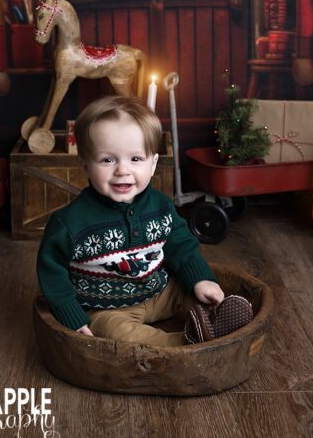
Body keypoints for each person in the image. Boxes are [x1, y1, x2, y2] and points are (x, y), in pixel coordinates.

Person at [36, 95, 251, 347]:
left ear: (153, 164)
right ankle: (184, 342)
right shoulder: (70, 222)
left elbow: (181, 245)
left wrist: (201, 278)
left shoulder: (160, 206)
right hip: (107, 307)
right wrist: (71, 316)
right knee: (116, 333)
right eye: (108, 160)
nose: (122, 170)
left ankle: (214, 321)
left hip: (162, 292)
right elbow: (52, 273)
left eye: (135, 159)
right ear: (85, 165)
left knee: (198, 296)